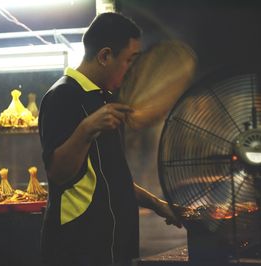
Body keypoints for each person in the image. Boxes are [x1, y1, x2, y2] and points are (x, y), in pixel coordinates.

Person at [38, 12, 181, 266]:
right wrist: (86, 128)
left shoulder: (104, 99)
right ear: (105, 56)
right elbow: (58, 173)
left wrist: (159, 205)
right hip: (80, 249)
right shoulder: (62, 96)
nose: (131, 70)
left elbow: (111, 177)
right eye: (129, 60)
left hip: (116, 245)